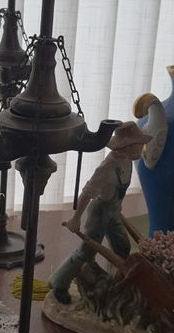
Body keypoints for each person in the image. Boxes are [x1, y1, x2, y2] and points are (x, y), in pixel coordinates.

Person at [49, 121, 151, 303]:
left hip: (113, 212)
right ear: (127, 146)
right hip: (99, 213)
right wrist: (75, 218)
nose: (142, 147)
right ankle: (59, 283)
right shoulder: (107, 167)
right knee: (86, 252)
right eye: (139, 144)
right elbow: (87, 192)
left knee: (122, 247)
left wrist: (118, 207)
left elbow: (118, 190)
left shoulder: (127, 162)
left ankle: (116, 283)